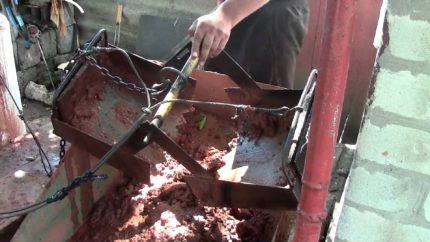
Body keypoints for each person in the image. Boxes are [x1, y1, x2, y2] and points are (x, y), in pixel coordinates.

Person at [188, 0, 308, 89]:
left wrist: (226, 15)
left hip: (270, 14)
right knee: (214, 93)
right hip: (232, 12)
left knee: (265, 108)